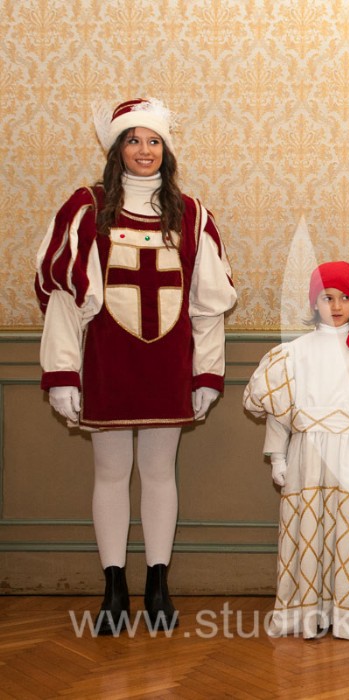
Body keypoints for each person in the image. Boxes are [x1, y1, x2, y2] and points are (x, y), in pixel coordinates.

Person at [34, 97, 237, 634]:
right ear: (116, 148)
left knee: (159, 472)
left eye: (153, 141)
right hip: (107, 363)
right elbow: (64, 298)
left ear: (166, 149)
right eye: (133, 140)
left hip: (168, 366)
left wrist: (206, 374)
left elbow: (207, 307)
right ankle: (114, 587)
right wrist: (62, 373)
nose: (144, 150)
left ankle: (157, 584)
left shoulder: (192, 215)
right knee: (109, 472)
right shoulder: (86, 207)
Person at [243, 262, 349, 639]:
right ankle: (306, 611)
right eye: (327, 298)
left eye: (345, 297)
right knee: (307, 531)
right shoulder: (293, 354)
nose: (336, 306)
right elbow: (279, 413)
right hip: (308, 455)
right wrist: (277, 457)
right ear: (314, 302)